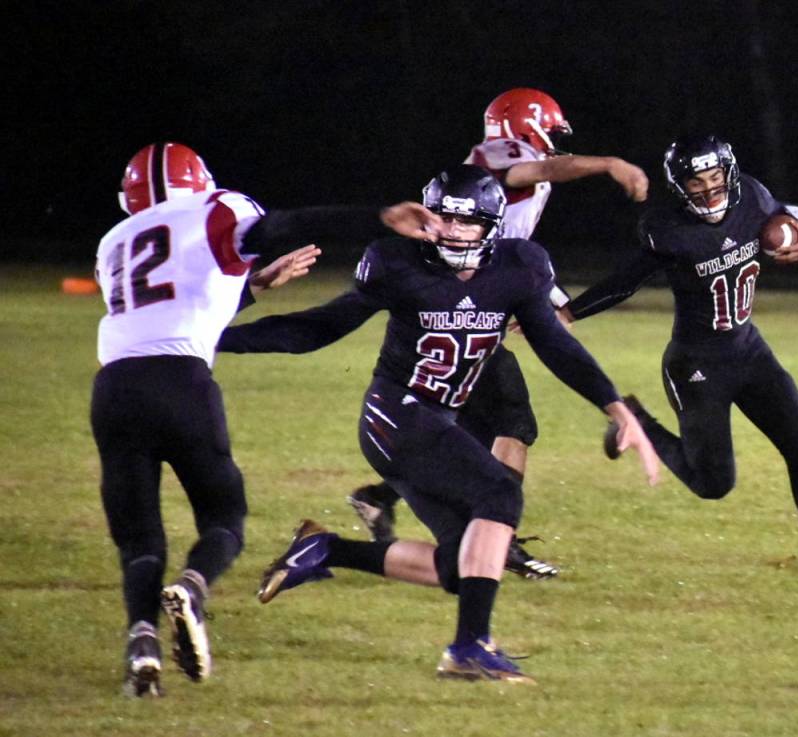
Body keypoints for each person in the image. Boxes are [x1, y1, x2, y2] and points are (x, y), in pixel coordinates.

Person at [217, 165, 659, 683]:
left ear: (492, 226)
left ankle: (325, 549)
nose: (453, 231)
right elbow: (318, 328)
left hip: (438, 418)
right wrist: (213, 339)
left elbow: (555, 344)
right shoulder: (396, 262)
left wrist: (615, 408)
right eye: (444, 219)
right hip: (395, 415)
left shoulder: (518, 267)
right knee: (500, 493)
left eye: (467, 222)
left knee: (460, 567)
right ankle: (469, 648)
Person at [92, 141, 440, 697]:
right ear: (198, 182)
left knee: (139, 535)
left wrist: (251, 285)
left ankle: (142, 642)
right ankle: (193, 588)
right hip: (181, 381)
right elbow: (284, 225)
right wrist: (376, 216)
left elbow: (170, 304)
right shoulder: (215, 209)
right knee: (224, 517)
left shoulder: (115, 241)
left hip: (113, 389)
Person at [348, 88, 650, 579]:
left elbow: (511, 247)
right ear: (523, 126)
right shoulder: (501, 156)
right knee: (513, 422)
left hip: (473, 305)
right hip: (462, 312)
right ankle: (497, 537)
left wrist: (551, 305)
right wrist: (609, 164)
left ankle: (383, 497)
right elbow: (537, 170)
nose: (553, 143)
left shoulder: (498, 188)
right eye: (549, 131)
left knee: (472, 428)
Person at [563, 135, 798, 576]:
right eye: (696, 182)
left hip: (748, 350)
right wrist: (569, 312)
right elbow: (625, 281)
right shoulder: (668, 228)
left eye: (715, 176)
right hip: (696, 364)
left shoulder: (751, 196)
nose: (708, 188)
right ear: (679, 186)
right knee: (713, 484)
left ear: (729, 173)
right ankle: (637, 420)